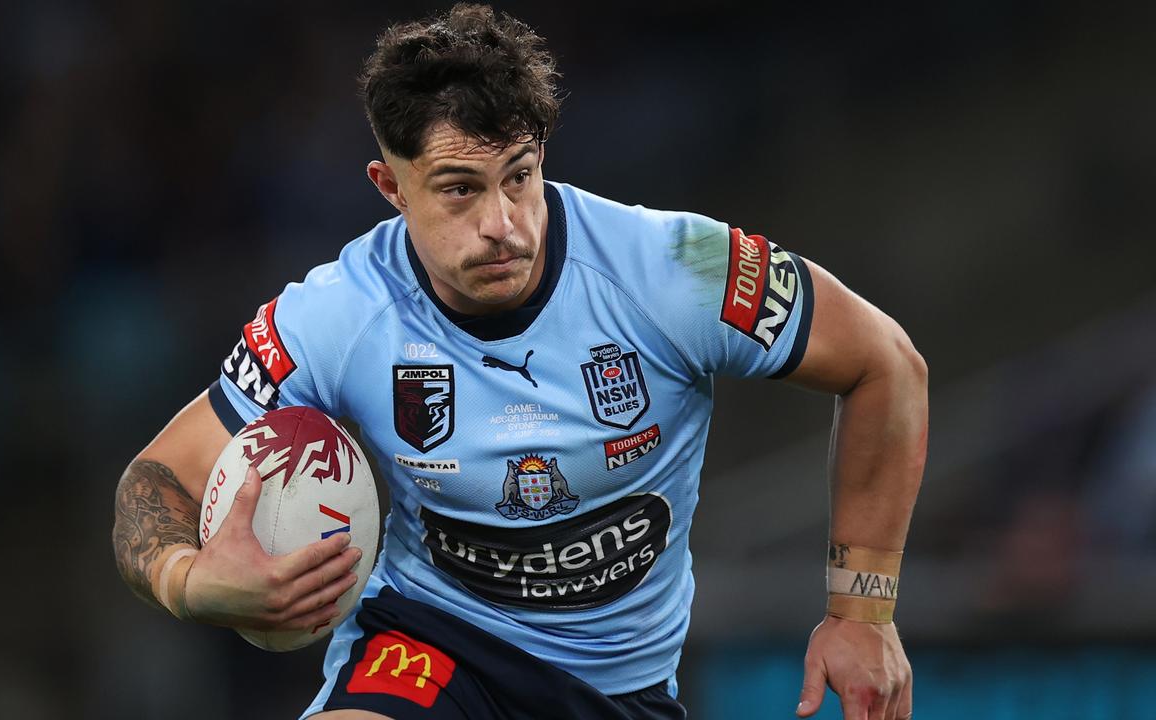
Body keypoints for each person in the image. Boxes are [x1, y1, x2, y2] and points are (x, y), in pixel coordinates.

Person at [112, 5, 927, 719]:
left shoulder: (675, 271)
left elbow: (886, 362)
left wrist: (862, 614)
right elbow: (158, 477)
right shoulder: (338, 314)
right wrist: (189, 579)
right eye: (459, 189)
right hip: (431, 649)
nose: (503, 223)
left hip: (621, 691)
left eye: (520, 177)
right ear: (390, 188)